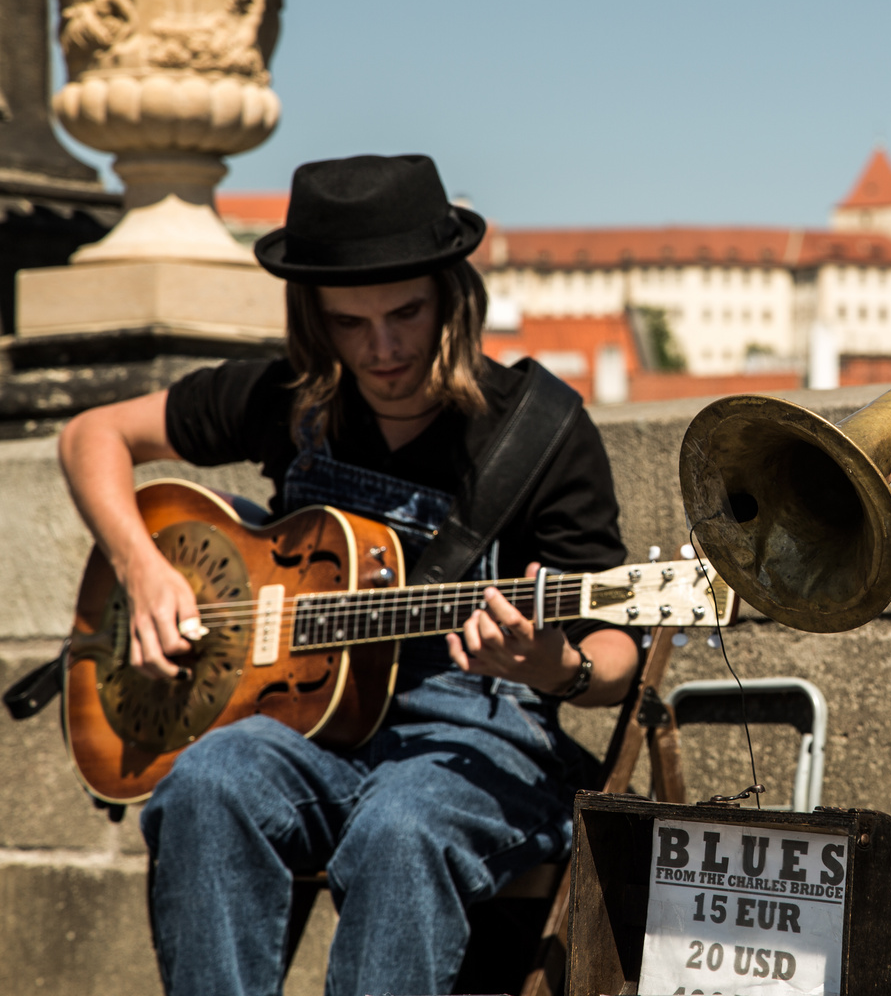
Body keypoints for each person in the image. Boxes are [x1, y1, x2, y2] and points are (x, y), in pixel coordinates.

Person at [56, 154, 640, 996]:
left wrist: (555, 665)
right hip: (307, 731)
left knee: (401, 827)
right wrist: (142, 569)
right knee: (205, 785)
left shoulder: (539, 429)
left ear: (450, 294)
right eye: (350, 324)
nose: (385, 348)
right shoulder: (286, 397)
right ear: (313, 318)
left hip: (475, 740)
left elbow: (614, 652)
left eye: (406, 313)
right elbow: (91, 438)